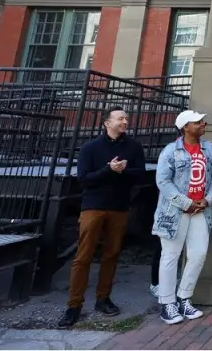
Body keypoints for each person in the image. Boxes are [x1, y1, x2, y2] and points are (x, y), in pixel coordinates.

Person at [58, 107, 145, 329]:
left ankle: (103, 299)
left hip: (119, 207)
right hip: (93, 207)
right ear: (107, 123)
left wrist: (123, 171)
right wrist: (109, 169)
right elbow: (84, 179)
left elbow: (140, 175)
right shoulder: (90, 148)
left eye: (126, 118)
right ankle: (74, 305)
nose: (125, 121)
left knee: (112, 254)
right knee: (83, 256)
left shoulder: (133, 147)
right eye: (121, 118)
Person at [153, 110, 212, 325]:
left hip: (201, 211)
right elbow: (163, 182)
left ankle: (184, 297)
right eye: (198, 122)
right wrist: (186, 202)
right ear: (185, 127)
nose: (204, 123)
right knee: (171, 256)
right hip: (175, 213)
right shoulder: (171, 151)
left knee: (198, 254)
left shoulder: (209, 149)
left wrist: (208, 199)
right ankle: (167, 303)